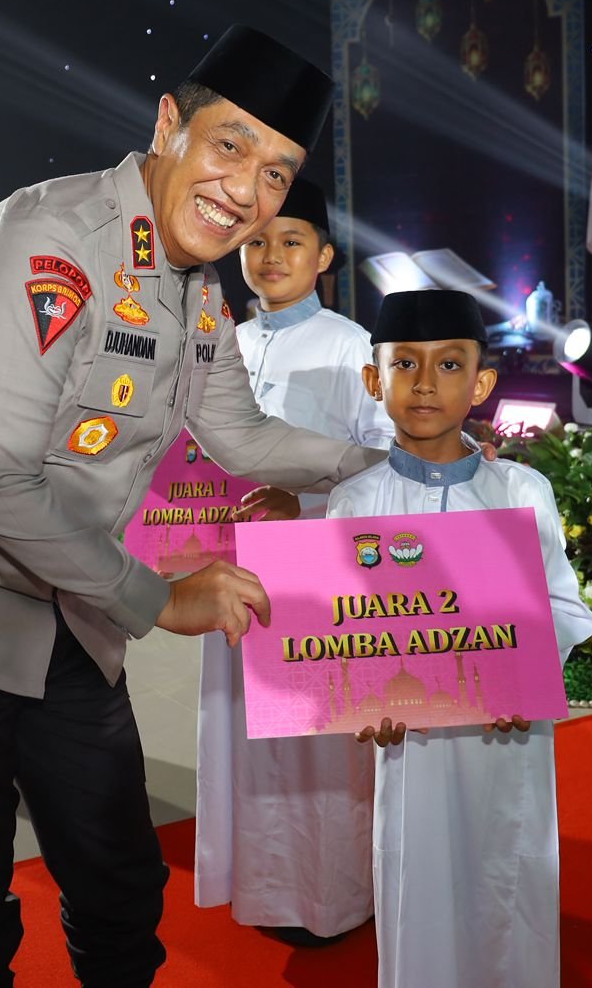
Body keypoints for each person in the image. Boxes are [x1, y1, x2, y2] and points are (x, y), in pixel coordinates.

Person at [0, 25, 387, 987]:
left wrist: (400, 460)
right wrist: (162, 600)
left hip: (64, 602)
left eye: (277, 174)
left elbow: (242, 437)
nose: (247, 190)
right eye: (230, 145)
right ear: (168, 126)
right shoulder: (51, 243)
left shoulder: (198, 289)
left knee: (120, 880)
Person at [326, 289, 592, 988]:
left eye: (449, 365)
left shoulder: (521, 492)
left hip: (509, 738)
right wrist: (362, 697)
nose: (425, 383)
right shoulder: (354, 503)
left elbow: (563, 605)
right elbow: (344, 631)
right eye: (405, 364)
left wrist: (522, 674)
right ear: (373, 380)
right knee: (416, 883)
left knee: (507, 879)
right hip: (409, 744)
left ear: (481, 384)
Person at [194, 178, 393, 945]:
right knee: (247, 738)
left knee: (320, 750)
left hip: (317, 581)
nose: (271, 255)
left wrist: (301, 500)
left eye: (291, 240)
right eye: (256, 241)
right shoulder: (223, 346)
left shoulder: (352, 348)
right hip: (230, 574)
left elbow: (386, 465)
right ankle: (268, 887)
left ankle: (332, 896)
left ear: (325, 256)